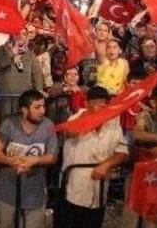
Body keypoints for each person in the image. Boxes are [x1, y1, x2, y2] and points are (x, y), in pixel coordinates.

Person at [59, 86, 130, 228]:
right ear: (87, 103)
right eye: (94, 103)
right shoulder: (76, 117)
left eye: (102, 104)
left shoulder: (114, 122)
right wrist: (89, 116)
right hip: (75, 187)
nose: (98, 108)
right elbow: (71, 132)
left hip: (100, 187)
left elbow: (123, 152)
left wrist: (106, 164)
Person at [0, 89, 58, 228]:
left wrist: (35, 160)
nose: (42, 111)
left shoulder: (48, 125)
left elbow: (53, 157)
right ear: (24, 110)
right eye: (37, 107)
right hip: (8, 190)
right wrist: (12, 161)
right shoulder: (9, 124)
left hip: (36, 191)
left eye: (43, 106)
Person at [0, 30, 44, 120]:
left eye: (24, 34)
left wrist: (39, 93)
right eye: (17, 33)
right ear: (12, 35)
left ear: (27, 37)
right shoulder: (2, 49)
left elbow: (37, 76)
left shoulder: (31, 55)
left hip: (24, 101)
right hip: (5, 100)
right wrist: (11, 53)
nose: (20, 36)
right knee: (4, 127)